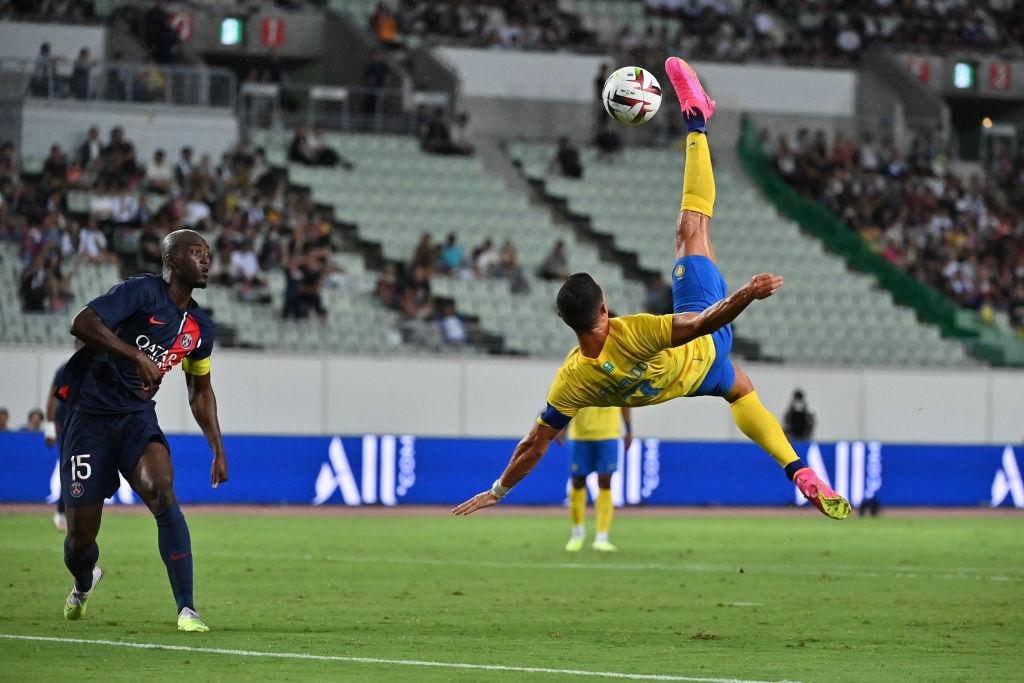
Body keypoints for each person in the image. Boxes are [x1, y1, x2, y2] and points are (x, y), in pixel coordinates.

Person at [454, 57, 850, 521]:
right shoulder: (634, 332)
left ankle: (799, 471)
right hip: (703, 341)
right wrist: (747, 292)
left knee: (740, 388)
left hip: (691, 381)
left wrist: (497, 491)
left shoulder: (571, 381)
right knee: (690, 227)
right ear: (605, 308)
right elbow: (704, 321)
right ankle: (697, 119)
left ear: (564, 321)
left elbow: (535, 442)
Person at [54, 228, 228, 632]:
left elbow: (199, 390)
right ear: (171, 259)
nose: (205, 260)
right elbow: (82, 322)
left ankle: (187, 609)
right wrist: (135, 355)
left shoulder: (199, 328)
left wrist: (217, 447)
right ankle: (84, 580)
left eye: (208, 254)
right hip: (90, 418)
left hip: (136, 418)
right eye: (195, 252)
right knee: (80, 543)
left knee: (163, 490)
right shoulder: (140, 292)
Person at [558, 406, 631, 553]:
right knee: (578, 481)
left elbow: (625, 403)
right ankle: (577, 533)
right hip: (580, 434)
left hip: (608, 433)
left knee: (605, 482)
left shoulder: (618, 382)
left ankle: (602, 537)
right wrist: (560, 426)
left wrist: (628, 430)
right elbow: (566, 398)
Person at [46, 341, 86, 532]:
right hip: (66, 424)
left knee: (79, 470)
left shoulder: (96, 367)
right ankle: (62, 511)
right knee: (69, 467)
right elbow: (53, 398)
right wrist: (49, 427)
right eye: (82, 343)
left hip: (87, 425)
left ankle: (74, 511)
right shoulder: (66, 369)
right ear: (76, 345)